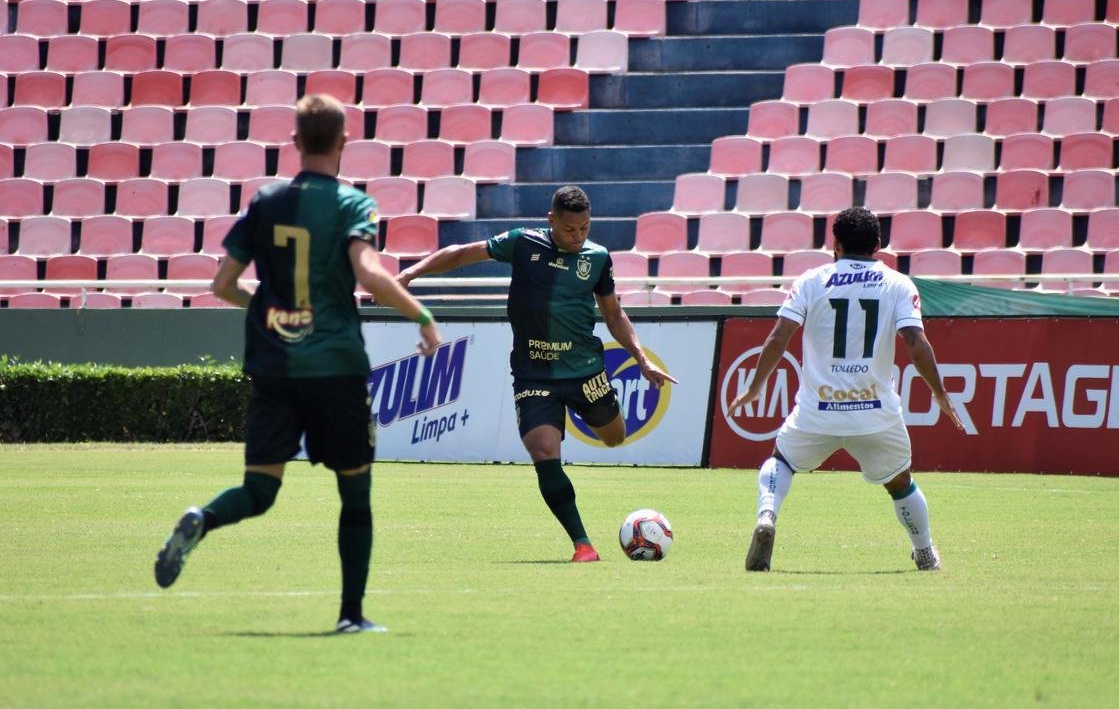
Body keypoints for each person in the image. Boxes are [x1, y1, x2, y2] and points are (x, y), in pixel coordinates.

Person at [154, 94, 443, 634]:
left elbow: (221, 285)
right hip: (335, 366)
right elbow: (370, 274)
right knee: (354, 490)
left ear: (294, 142)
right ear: (344, 142)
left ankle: (205, 518)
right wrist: (422, 316)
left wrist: (267, 305)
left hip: (275, 367)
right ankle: (351, 616)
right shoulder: (353, 205)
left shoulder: (266, 201)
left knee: (260, 490)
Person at [397, 185, 676, 562]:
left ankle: (585, 426)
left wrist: (641, 359)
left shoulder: (598, 258)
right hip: (534, 375)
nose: (578, 237)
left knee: (614, 438)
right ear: (551, 221)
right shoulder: (522, 243)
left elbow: (613, 315)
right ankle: (583, 545)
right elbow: (463, 254)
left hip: (585, 371)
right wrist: (410, 274)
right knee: (544, 450)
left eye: (584, 228)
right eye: (569, 229)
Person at [727, 206, 965, 573]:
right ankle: (925, 552)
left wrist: (756, 386)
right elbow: (916, 343)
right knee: (900, 483)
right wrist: (940, 394)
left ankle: (767, 516)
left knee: (781, 460)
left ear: (834, 244)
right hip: (875, 414)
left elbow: (778, 338)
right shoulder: (898, 284)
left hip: (816, 411)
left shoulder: (811, 280)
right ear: (879, 244)